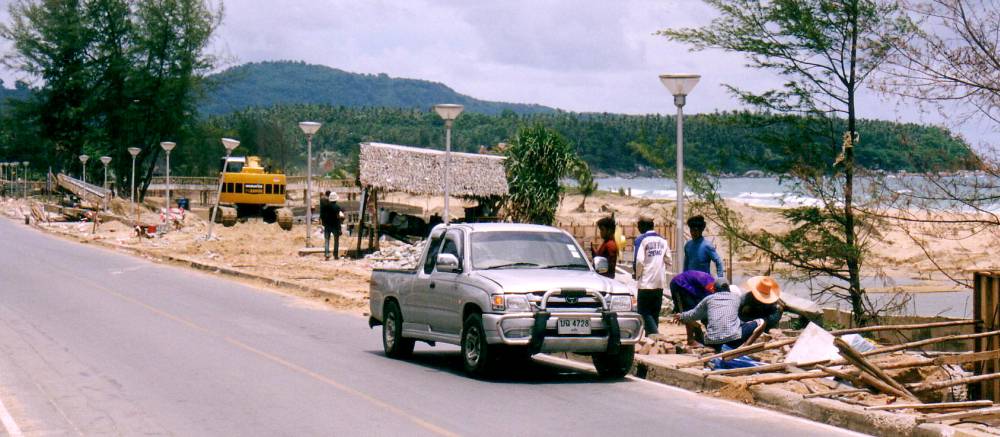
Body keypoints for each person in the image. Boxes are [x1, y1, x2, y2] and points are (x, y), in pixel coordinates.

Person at [674, 282, 765, 352]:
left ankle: (716, 349)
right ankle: (744, 349)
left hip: (712, 342)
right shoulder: (736, 298)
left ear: (715, 290)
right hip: (733, 340)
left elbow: (693, 314)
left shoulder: (708, 299)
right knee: (761, 322)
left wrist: (681, 316)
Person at [633, 216, 672, 338]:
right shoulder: (663, 240)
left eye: (639, 226)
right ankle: (653, 340)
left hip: (646, 281)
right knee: (654, 312)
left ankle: (655, 335)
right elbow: (669, 260)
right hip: (659, 282)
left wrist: (637, 275)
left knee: (643, 311)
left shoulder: (642, 240)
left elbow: (639, 261)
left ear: (643, 226)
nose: (638, 229)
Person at [669, 270, 717, 345]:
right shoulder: (711, 289)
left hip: (692, 288)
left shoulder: (714, 290)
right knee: (687, 311)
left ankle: (699, 336)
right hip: (680, 284)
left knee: (699, 313)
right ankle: (690, 340)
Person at [320, 192, 344, 260]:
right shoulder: (337, 207)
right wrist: (339, 228)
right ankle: (335, 255)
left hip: (327, 225)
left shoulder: (326, 206)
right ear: (336, 199)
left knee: (327, 240)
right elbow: (338, 218)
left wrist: (323, 223)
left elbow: (322, 216)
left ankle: (327, 254)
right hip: (335, 226)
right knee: (336, 241)